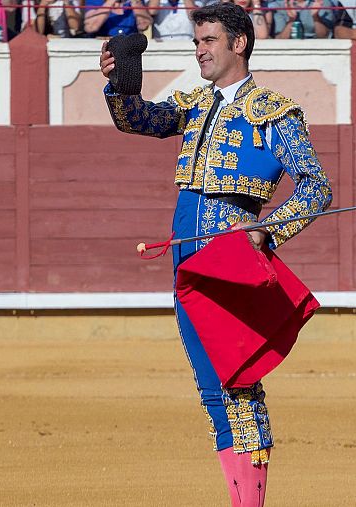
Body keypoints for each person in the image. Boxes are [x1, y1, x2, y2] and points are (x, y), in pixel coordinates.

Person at [100, 3, 332, 505]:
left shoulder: (274, 111)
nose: (199, 50)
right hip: (187, 264)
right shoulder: (194, 104)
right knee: (211, 388)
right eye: (196, 42)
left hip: (230, 264)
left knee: (236, 382)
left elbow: (316, 187)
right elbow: (138, 119)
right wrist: (121, 84)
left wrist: (268, 230)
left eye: (208, 41)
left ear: (238, 43)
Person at [269, 0, 334, 39]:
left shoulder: (322, 2)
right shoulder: (279, 5)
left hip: (316, 45)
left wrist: (315, 17)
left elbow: (324, 37)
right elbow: (280, 39)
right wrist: (291, 20)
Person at [83, 0, 151, 36]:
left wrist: (135, 2)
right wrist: (110, 2)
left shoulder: (136, 2)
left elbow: (144, 26)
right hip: (102, 46)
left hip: (129, 46)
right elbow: (91, 28)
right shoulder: (95, 1)